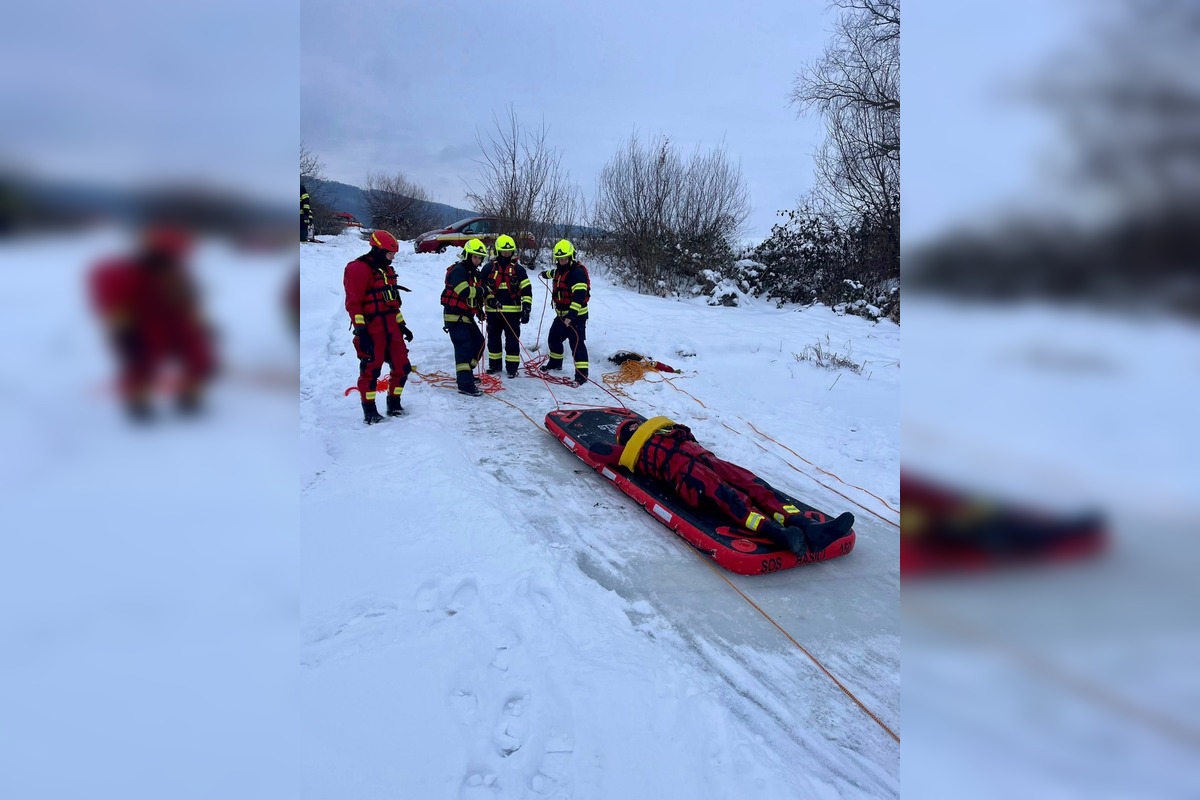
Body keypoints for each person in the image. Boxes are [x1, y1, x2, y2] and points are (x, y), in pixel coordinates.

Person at [608, 417, 855, 556]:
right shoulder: (632, 454)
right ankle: (777, 534)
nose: (634, 427)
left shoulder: (667, 431)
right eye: (628, 429)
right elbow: (601, 453)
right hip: (687, 476)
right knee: (732, 499)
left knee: (756, 486)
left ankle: (806, 526)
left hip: (709, 461)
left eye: (633, 424)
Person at [89, 226, 218, 421]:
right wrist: (125, 332)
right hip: (142, 325)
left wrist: (202, 324)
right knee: (142, 363)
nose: (175, 260)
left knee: (201, 359)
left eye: (178, 256)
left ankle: (189, 396)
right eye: (170, 255)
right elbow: (115, 305)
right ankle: (138, 402)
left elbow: (188, 302)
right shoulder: (127, 274)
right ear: (154, 252)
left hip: (176, 322)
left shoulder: (178, 274)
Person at [343, 230, 413, 423]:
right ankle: (370, 411)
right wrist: (360, 329)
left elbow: (393, 304)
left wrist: (402, 325)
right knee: (371, 371)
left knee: (403, 366)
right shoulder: (358, 269)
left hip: (391, 326)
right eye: (390, 254)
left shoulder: (387, 271)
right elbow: (353, 303)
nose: (392, 258)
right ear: (378, 250)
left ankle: (394, 402)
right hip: (372, 328)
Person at [440, 237, 488, 396]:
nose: (478, 260)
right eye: (475, 256)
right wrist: (482, 291)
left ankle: (466, 374)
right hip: (455, 316)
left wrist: (479, 310)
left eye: (480, 257)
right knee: (464, 348)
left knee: (479, 343)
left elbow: (472, 297)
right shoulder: (459, 270)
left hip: (466, 316)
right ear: (467, 255)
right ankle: (465, 385)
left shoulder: (473, 273)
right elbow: (464, 291)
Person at [539, 239, 590, 386]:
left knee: (577, 343)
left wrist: (571, 316)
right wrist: (544, 274)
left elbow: (579, 297)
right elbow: (554, 273)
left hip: (576, 316)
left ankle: (581, 375)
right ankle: (555, 363)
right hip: (561, 315)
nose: (562, 261)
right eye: (559, 259)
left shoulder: (577, 273)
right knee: (553, 338)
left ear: (571, 257)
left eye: (565, 259)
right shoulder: (560, 270)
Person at [481, 234, 533, 378]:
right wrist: (488, 301)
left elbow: (527, 291)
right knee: (493, 340)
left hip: (513, 313)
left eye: (509, 252)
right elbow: (481, 288)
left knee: (512, 341)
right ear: (498, 251)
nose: (506, 254)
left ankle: (511, 368)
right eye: (504, 252)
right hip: (493, 312)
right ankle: (495, 365)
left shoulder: (519, 270)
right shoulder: (488, 269)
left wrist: (526, 309)